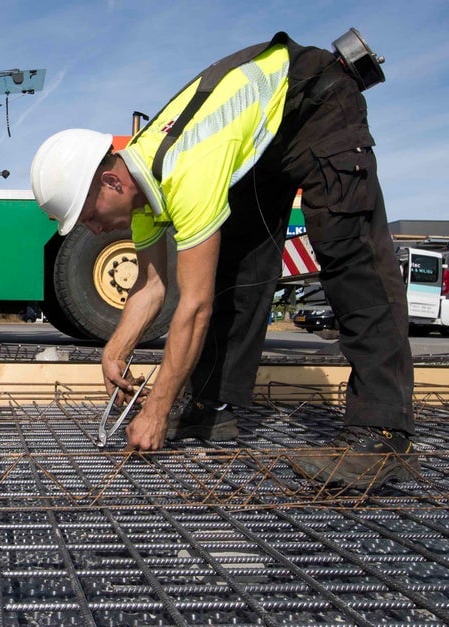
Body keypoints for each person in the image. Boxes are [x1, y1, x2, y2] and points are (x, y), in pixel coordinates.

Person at [30, 31, 416, 490]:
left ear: (112, 183)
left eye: (89, 216)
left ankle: (382, 432)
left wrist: (156, 410)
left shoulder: (187, 172)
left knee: (351, 256)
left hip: (316, 101)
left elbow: (194, 307)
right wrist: (115, 350)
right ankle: (212, 408)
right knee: (240, 268)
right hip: (266, 137)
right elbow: (149, 286)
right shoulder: (143, 181)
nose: (92, 229)